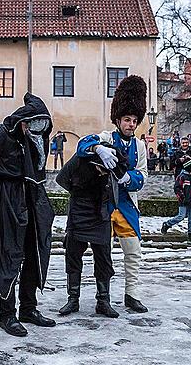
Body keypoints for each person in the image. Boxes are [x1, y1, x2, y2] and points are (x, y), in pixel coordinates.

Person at [0, 93, 56, 337]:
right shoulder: (1, 135)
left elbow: (38, 168)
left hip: (32, 196)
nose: (39, 131)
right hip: (8, 196)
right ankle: (7, 314)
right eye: (34, 125)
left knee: (33, 251)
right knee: (8, 253)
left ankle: (28, 308)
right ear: (24, 122)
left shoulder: (37, 138)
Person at [77, 75, 148, 313]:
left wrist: (130, 179)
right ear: (118, 119)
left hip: (127, 205)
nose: (130, 124)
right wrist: (98, 148)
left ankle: (132, 295)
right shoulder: (107, 137)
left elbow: (143, 175)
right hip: (105, 205)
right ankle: (103, 298)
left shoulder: (140, 146)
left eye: (134, 120)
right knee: (103, 255)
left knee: (133, 252)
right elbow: (82, 146)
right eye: (127, 119)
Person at [56, 148, 130, 318]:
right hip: (79, 212)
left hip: (101, 213)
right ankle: (73, 299)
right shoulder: (80, 159)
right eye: (101, 168)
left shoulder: (112, 164)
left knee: (104, 257)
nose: (103, 172)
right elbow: (61, 179)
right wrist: (77, 192)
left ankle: (103, 301)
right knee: (73, 256)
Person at [161, 158, 191, 243]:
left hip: (190, 200)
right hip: (183, 200)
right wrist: (182, 197)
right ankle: (167, 224)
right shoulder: (182, 176)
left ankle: (190, 234)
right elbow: (177, 188)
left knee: (190, 219)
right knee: (181, 216)